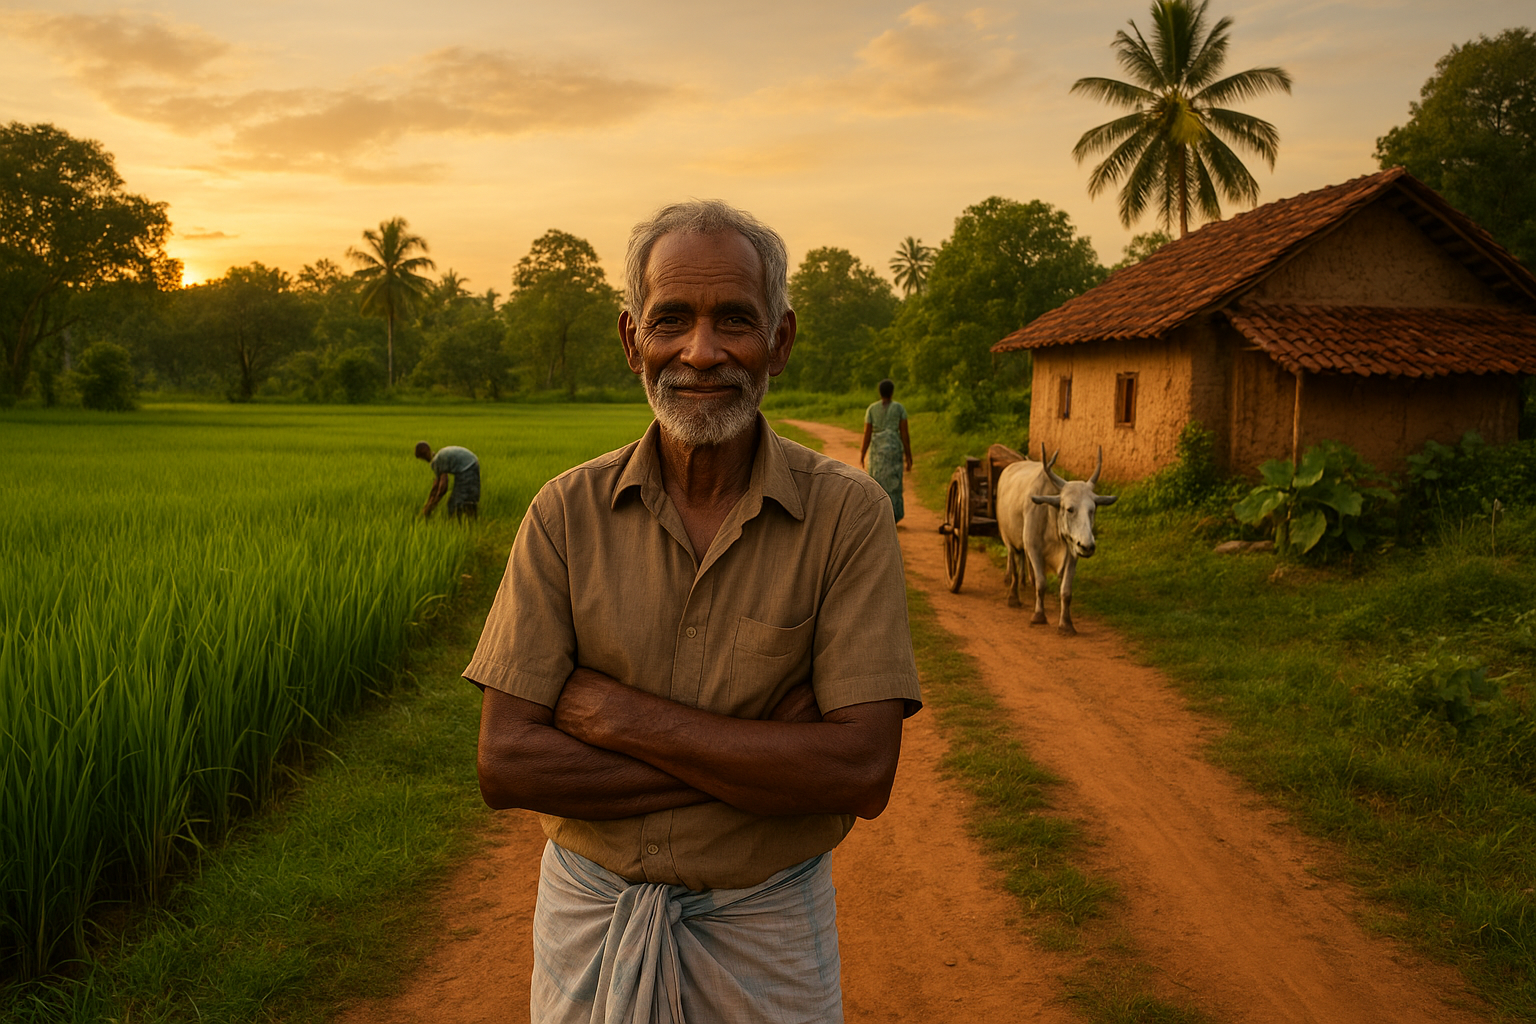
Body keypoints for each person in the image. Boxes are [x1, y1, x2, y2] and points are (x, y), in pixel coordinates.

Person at [464, 200, 921, 1023]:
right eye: (671, 319)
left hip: (766, 929)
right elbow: (508, 765)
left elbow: (860, 771)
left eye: (734, 321)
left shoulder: (846, 516)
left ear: (779, 341)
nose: (702, 352)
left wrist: (617, 715)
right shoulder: (564, 514)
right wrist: (768, 757)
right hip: (591, 920)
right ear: (631, 338)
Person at [860, 378, 913, 523]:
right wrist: (909, 456)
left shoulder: (872, 409)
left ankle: (879, 514)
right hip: (894, 449)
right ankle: (894, 515)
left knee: (877, 481)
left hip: (877, 451)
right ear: (892, 392)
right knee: (894, 482)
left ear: (880, 392)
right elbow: (904, 434)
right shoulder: (899, 408)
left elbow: (867, 433)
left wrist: (863, 453)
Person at [415, 442, 480, 518]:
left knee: (455, 503)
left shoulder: (440, 460)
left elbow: (443, 487)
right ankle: (471, 523)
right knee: (468, 500)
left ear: (423, 455)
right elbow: (435, 486)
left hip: (466, 469)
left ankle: (458, 526)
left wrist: (432, 505)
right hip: (472, 464)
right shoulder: (438, 457)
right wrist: (429, 504)